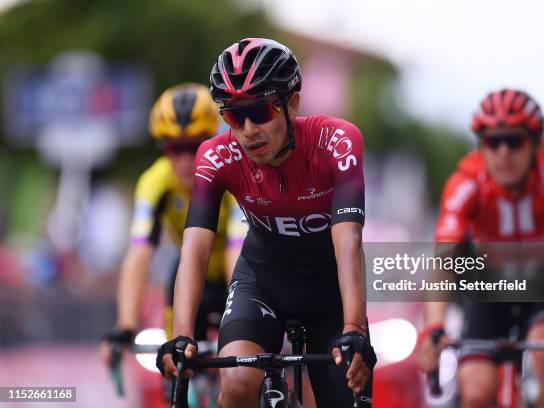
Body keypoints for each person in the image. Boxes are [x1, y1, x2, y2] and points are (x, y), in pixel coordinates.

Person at [156, 38, 376, 407]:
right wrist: (181, 336)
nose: (247, 130)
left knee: (344, 395)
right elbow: (194, 249)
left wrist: (353, 328)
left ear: (292, 102)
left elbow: (348, 241)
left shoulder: (337, 142)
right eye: (232, 115)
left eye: (261, 111)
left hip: (330, 292)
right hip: (262, 282)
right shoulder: (215, 156)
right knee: (239, 382)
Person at [420, 88, 544, 407]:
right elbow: (444, 259)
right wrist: (434, 324)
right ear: (481, 146)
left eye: (514, 141)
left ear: (535, 143)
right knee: (475, 391)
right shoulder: (465, 182)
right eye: (492, 141)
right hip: (491, 290)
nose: (503, 152)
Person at [101, 83, 246, 367]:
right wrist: (126, 325)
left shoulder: (233, 173)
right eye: (173, 148)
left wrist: (241, 313)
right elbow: (139, 254)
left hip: (239, 272)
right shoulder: (154, 182)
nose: (185, 159)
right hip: (189, 274)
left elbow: (236, 250)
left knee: (241, 367)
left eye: (195, 147)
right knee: (175, 366)